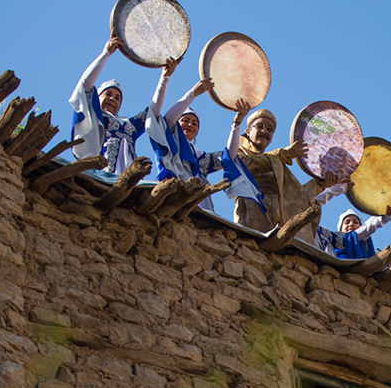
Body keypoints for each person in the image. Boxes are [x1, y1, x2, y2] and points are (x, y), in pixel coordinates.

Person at [147, 74, 263, 213]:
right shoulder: (169, 140)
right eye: (185, 120)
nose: (190, 124)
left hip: (200, 202)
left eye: (194, 123)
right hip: (174, 194)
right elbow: (168, 119)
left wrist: (237, 124)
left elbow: (229, 156)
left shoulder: (202, 156)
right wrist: (192, 94)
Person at [69, 33, 173, 176]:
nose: (112, 99)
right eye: (108, 94)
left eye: (118, 98)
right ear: (97, 97)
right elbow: (85, 85)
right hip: (102, 171)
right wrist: (106, 53)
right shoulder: (95, 116)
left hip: (128, 175)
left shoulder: (129, 124)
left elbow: (152, 112)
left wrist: (165, 78)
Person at [233, 109, 323, 241]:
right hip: (252, 215)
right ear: (248, 131)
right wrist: (283, 154)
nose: (264, 131)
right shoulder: (238, 152)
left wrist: (320, 185)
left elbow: (294, 197)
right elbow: (245, 166)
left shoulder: (276, 163)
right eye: (259, 126)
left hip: (277, 223)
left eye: (269, 129)